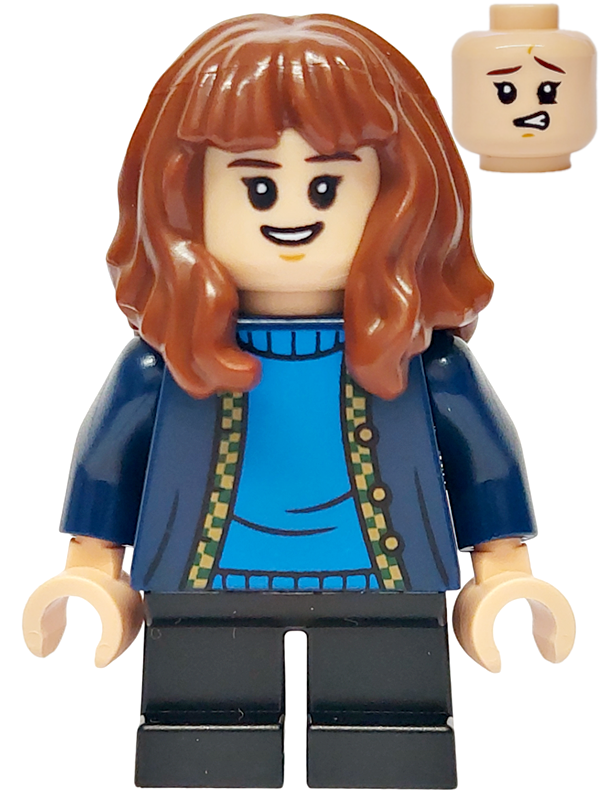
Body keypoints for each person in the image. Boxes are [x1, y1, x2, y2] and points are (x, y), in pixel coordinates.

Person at [23, 14, 575, 789]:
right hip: (205, 578)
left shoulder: (429, 365)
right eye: (256, 185)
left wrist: (504, 574)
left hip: (385, 579)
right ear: (181, 198)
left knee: (389, 730)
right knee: (201, 730)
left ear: (401, 195)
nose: (292, 213)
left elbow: (485, 458)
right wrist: (90, 572)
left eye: (326, 185)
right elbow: (107, 462)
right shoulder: (162, 365)